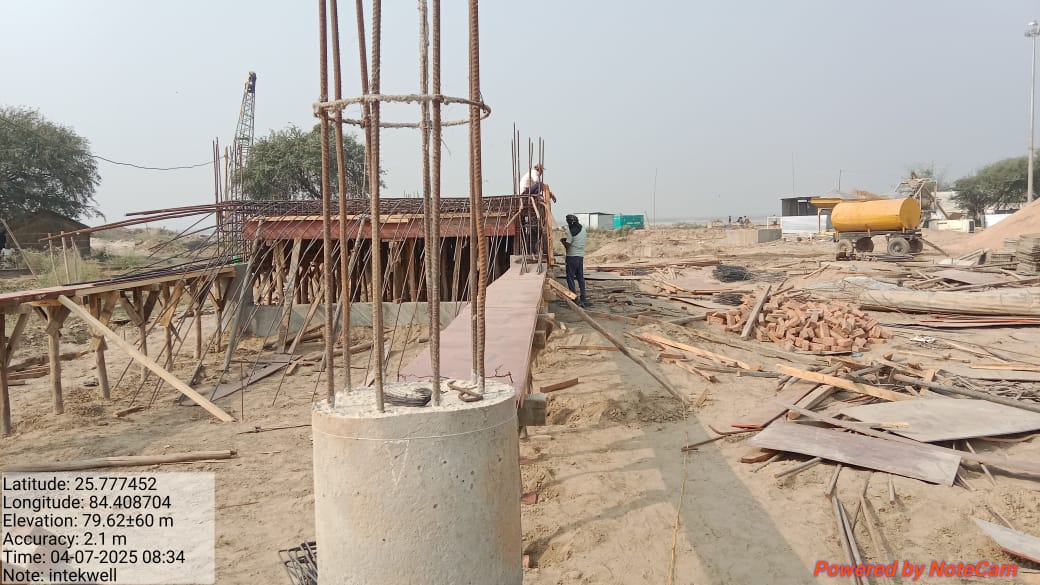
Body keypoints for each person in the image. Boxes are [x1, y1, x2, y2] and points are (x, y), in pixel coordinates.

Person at [560, 214, 590, 306]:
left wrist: (563, 242)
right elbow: (577, 240)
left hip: (571, 257)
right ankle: (583, 298)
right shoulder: (583, 229)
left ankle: (574, 298)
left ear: (570, 222)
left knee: (570, 278)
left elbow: (568, 246)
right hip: (580, 257)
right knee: (580, 278)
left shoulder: (571, 232)